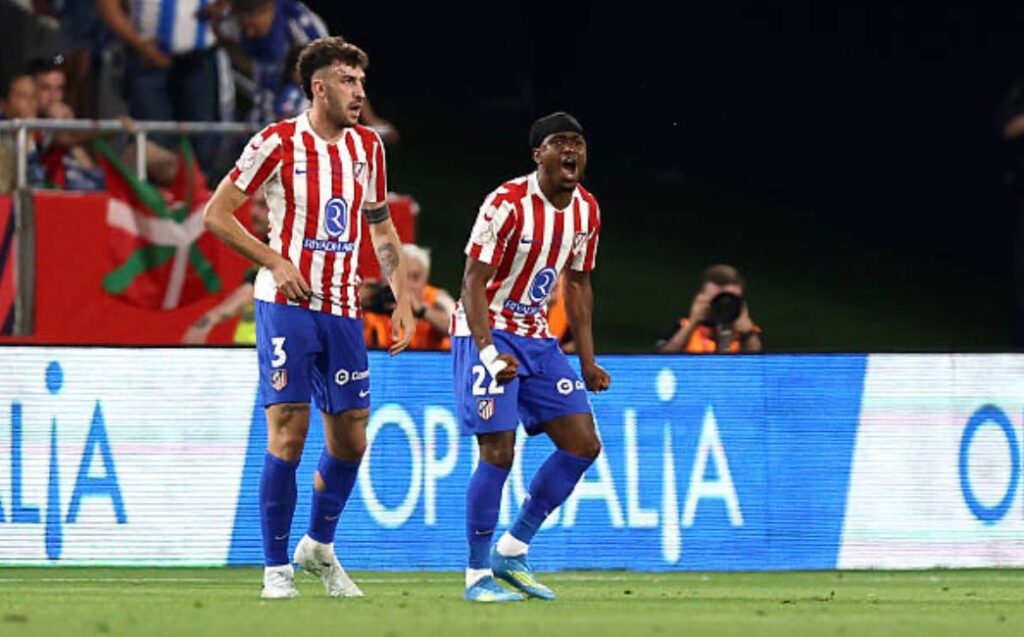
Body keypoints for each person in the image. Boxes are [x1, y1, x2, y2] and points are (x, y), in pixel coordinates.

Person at [202, 37, 414, 600]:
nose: (359, 92)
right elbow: (216, 214)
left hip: (343, 309)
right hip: (286, 304)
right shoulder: (276, 142)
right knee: (289, 433)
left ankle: (318, 546)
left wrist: (403, 298)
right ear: (318, 88)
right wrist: (275, 260)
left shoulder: (368, 147)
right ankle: (276, 569)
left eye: (361, 82)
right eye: (348, 81)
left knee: (351, 440)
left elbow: (380, 225)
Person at [452, 112, 610, 603]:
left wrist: (586, 360)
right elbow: (472, 282)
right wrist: (487, 352)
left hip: (537, 336)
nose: (572, 150)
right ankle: (477, 575)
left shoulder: (587, 210)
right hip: (487, 329)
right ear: (539, 154)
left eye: (578, 142)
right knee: (498, 451)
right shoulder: (506, 204)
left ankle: (513, 548)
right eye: (560, 142)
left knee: (582, 444)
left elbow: (578, 284)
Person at [182, 186, 271, 345]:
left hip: (270, 352)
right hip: (255, 350)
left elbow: (252, 287)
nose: (253, 212)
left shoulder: (288, 252)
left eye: (263, 205)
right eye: (253, 204)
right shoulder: (266, 250)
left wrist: (211, 318)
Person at [363, 244, 455, 351]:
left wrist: (422, 311)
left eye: (415, 278)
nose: (407, 284)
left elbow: (459, 330)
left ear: (425, 280)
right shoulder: (372, 299)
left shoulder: (437, 300)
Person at [657, 264, 762, 353]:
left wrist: (748, 333)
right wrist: (693, 323)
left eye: (730, 299)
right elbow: (662, 361)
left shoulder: (746, 333)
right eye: (717, 299)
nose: (723, 305)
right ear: (700, 298)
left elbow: (758, 364)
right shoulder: (681, 327)